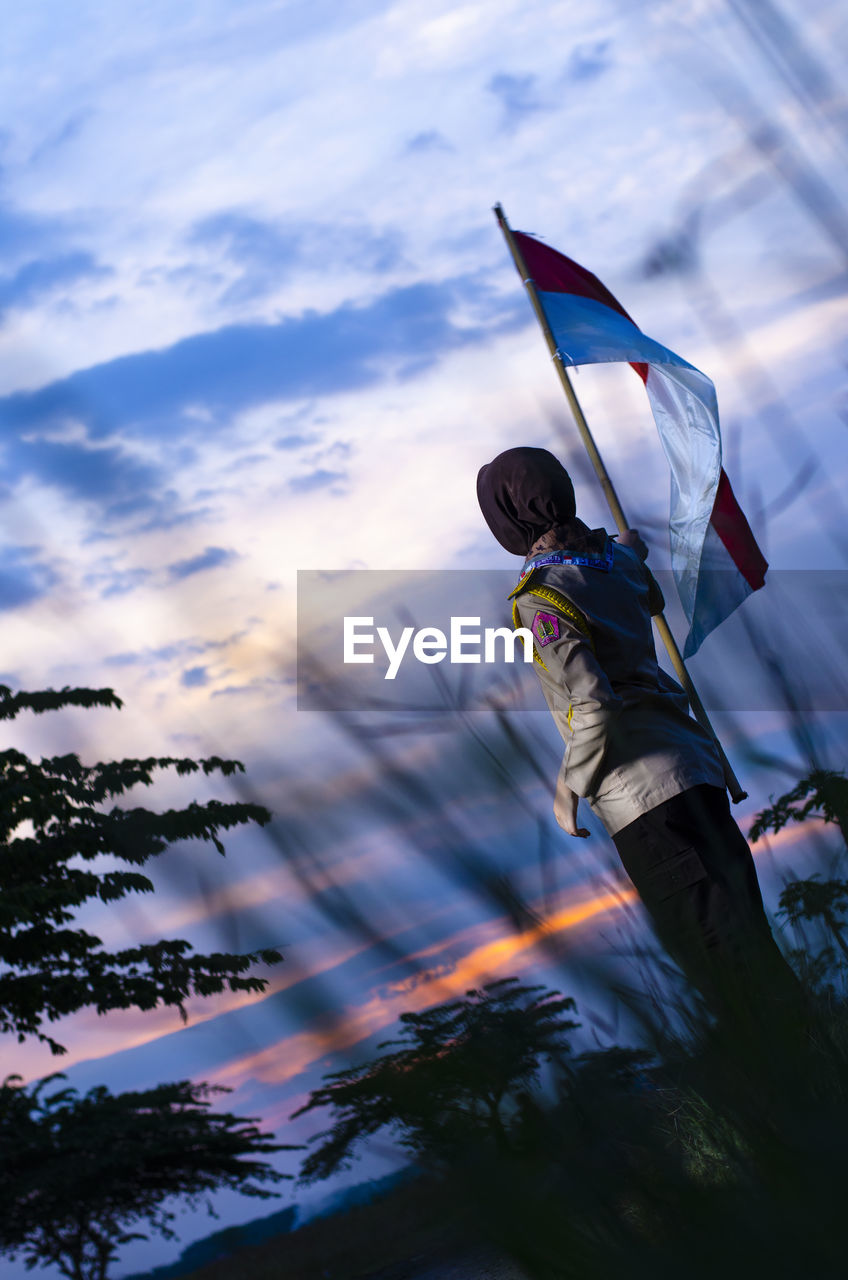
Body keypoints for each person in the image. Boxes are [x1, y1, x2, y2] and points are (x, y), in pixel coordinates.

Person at [476, 445, 799, 1019]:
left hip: (642, 797)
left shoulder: (539, 598)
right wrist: (628, 549)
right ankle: (816, 1066)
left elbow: (594, 702)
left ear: (506, 517)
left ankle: (790, 1087)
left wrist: (568, 788)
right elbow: (645, 593)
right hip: (695, 768)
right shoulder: (614, 561)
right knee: (748, 933)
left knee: (714, 958)